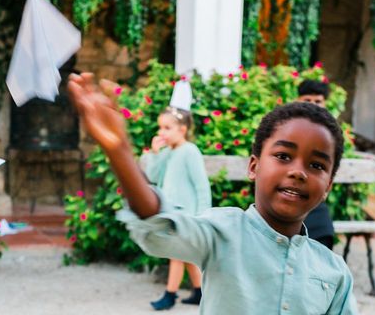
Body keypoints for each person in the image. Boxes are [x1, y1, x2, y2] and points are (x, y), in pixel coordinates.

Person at [68, 73, 358, 314]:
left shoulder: (333, 272)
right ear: (254, 166)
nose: (298, 171)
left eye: (316, 164)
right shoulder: (222, 234)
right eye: (283, 156)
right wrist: (119, 152)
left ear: (328, 186)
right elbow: (161, 225)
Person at [145, 104, 211, 310]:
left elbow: (201, 185)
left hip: (187, 215)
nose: (161, 133)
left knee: (176, 254)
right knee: (187, 256)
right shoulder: (167, 152)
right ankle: (201, 292)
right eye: (160, 128)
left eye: (167, 128)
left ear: (182, 130)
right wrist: (155, 153)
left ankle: (170, 295)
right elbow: (153, 177)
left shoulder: (189, 151)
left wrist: (203, 216)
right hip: (171, 213)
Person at [297, 79, 336, 249]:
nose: (313, 105)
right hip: (286, 194)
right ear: (297, 101)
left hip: (314, 197)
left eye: (318, 101)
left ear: (325, 104)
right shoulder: (285, 126)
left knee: (322, 229)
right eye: (307, 100)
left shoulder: (330, 133)